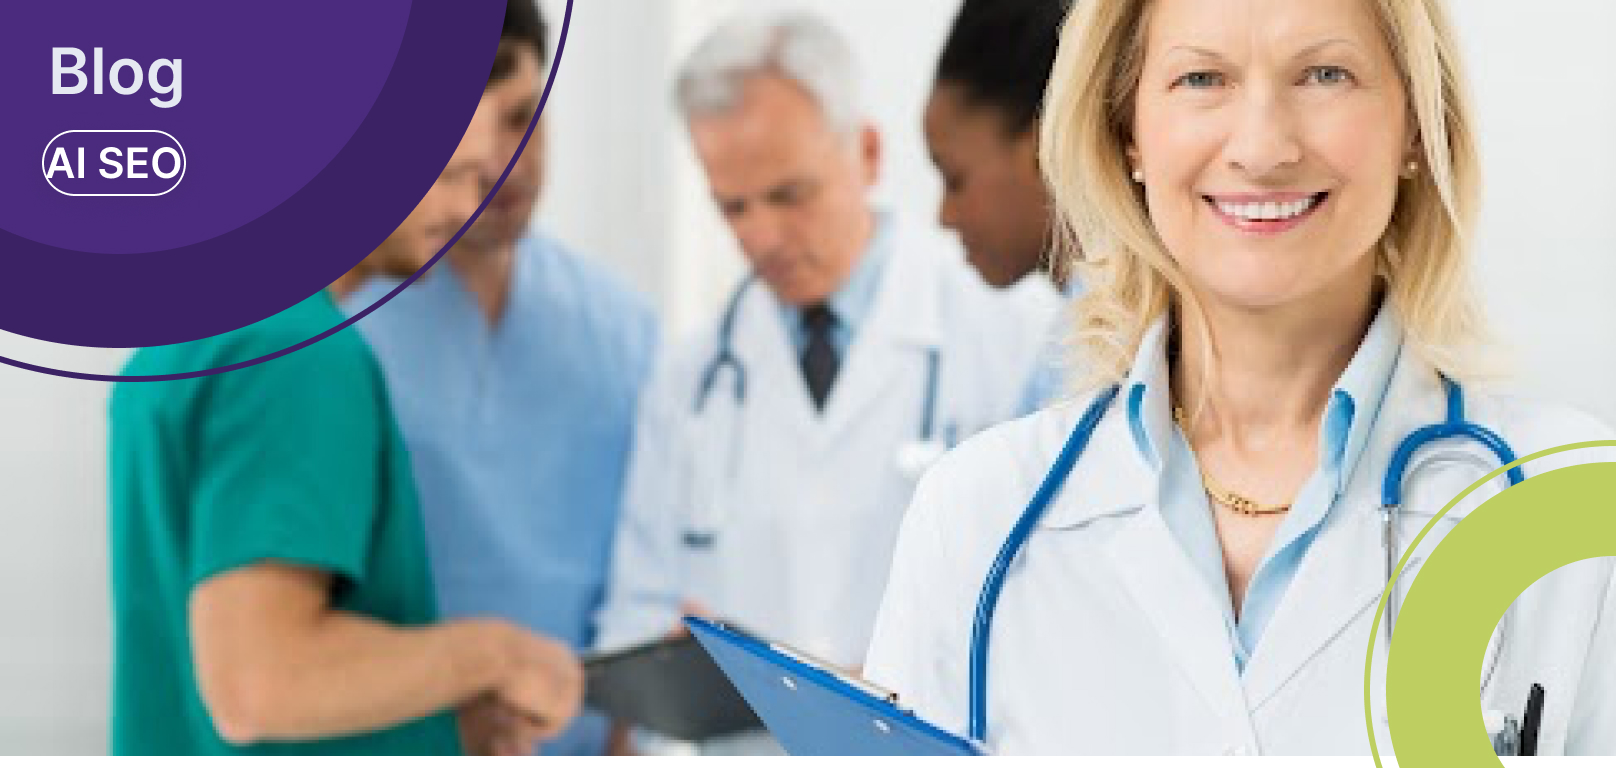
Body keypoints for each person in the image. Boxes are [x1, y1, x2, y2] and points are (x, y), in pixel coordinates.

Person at [864, 0, 1616, 755]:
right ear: (1128, 132)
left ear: (1416, 128)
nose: (1262, 148)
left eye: (1324, 75)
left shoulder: (1576, 509)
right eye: (1201, 79)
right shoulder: (977, 519)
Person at [594, 9, 1051, 752]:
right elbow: (635, 621)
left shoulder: (1011, 334)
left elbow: (1039, 619)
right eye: (733, 207)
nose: (762, 236)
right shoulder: (689, 381)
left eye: (789, 195)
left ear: (866, 153)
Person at [107, 96, 583, 755]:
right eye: (447, 177)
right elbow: (259, 684)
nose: (464, 208)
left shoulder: (195, 327)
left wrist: (433, 727)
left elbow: (215, 661)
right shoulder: (299, 353)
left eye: (476, 179)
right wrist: (500, 656)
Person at [348, 0, 656, 755]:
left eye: (522, 119)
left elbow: (647, 577)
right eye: (466, 131)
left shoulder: (624, 329)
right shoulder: (339, 328)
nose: (502, 163)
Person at [926, 0, 1077, 413]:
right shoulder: (1070, 348)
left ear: (1047, 149)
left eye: (955, 179)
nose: (944, 217)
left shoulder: (1107, 360)